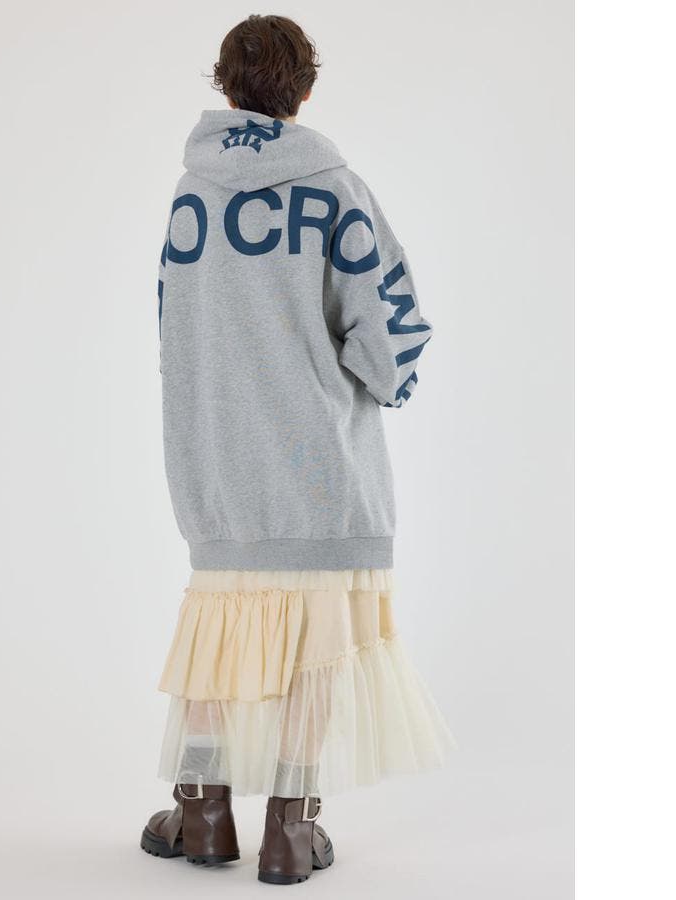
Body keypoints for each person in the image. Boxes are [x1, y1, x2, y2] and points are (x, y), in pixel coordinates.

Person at [141, 13, 453, 885]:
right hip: (320, 468)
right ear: (304, 90)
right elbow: (387, 326)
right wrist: (385, 382)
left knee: (218, 627)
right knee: (316, 637)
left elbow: (174, 328)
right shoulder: (335, 190)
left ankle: (202, 814)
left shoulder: (191, 196)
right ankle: (291, 827)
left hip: (215, 464)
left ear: (224, 85)